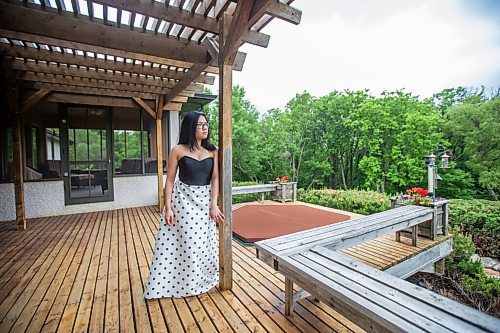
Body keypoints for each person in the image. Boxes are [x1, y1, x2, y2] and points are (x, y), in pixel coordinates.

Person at [144, 111, 224, 299]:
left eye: (206, 124)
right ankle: (180, 283)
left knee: (202, 244)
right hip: (183, 201)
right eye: (200, 124)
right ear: (190, 126)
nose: (205, 128)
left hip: (204, 202)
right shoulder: (177, 150)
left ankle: (199, 280)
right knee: (186, 243)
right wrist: (168, 207)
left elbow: (215, 179)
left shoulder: (213, 150)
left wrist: (214, 204)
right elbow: (170, 181)